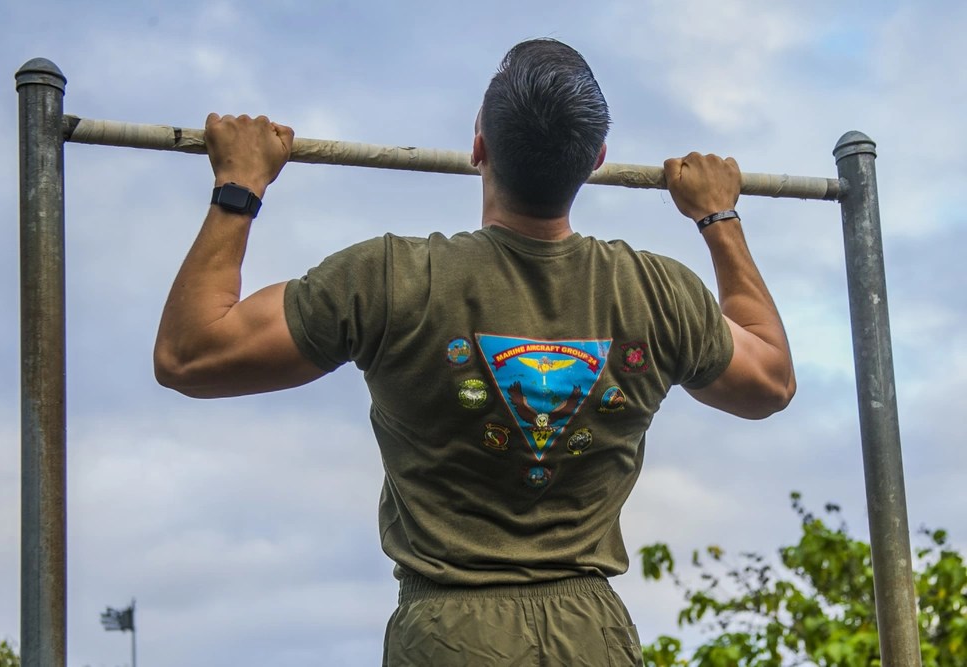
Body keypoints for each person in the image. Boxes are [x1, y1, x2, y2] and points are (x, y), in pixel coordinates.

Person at [154, 39, 795, 667]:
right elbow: (769, 381)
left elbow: (190, 354)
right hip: (592, 638)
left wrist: (238, 185)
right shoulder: (658, 293)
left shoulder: (389, 279)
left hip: (448, 638)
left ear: (479, 146)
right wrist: (719, 218)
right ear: (597, 158)